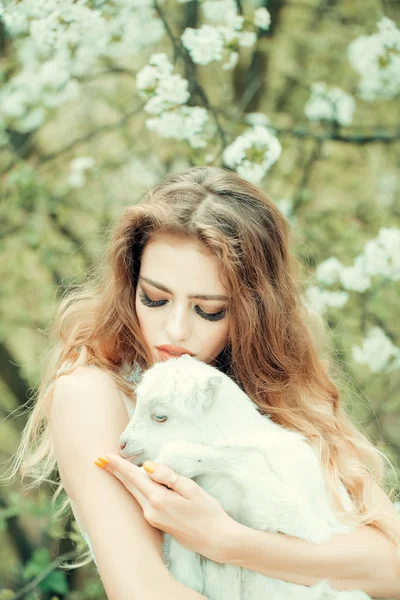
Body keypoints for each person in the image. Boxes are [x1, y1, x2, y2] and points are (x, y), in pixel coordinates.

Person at [5, 166, 400, 600]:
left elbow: (392, 569)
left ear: (254, 313)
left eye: (208, 310)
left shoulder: (280, 395)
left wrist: (227, 542)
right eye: (154, 299)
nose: (174, 331)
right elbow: (145, 591)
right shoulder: (94, 393)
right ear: (130, 286)